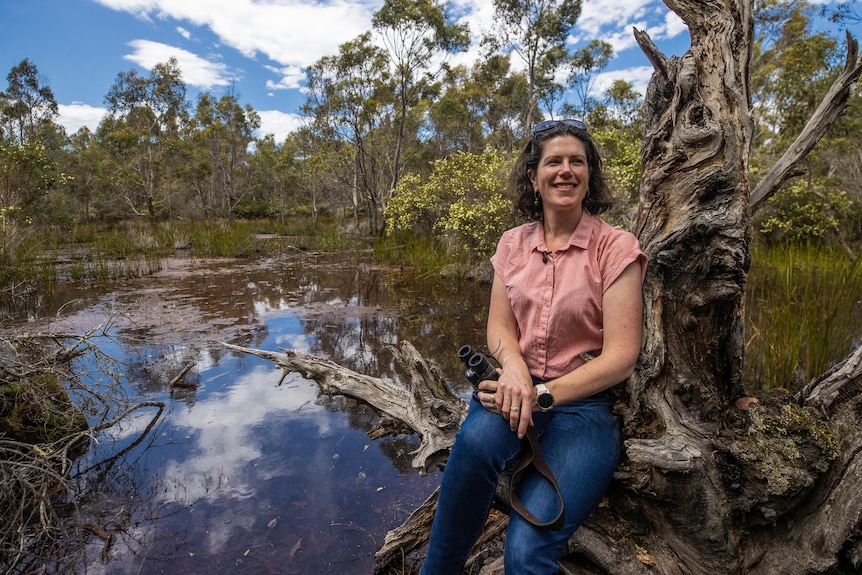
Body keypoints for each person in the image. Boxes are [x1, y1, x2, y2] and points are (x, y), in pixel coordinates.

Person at [421, 119, 647, 574]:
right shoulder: (512, 244)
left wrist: (542, 395)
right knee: (471, 456)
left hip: (583, 408)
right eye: (554, 162)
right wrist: (516, 371)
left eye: (577, 161)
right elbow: (500, 330)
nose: (566, 171)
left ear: (590, 174)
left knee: (525, 553)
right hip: (513, 391)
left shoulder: (615, 247)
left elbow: (622, 356)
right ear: (533, 176)